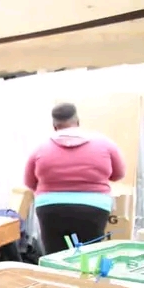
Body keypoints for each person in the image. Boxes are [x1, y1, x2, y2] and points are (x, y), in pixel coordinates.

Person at [24, 103, 126, 254]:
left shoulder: (40, 147)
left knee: (54, 257)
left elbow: (29, 182)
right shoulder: (105, 143)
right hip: (94, 208)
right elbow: (118, 174)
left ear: (54, 126)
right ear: (77, 122)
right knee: (88, 256)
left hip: (51, 208)